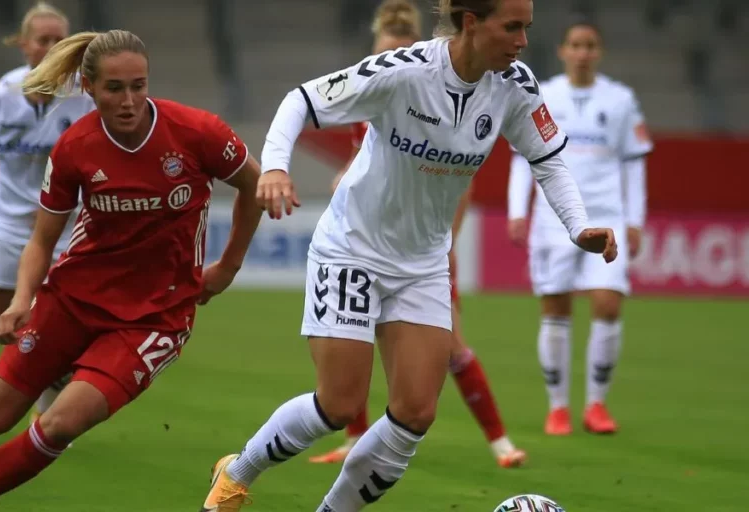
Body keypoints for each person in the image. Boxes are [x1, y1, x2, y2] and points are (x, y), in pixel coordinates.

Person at [200, 0, 618, 510]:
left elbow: (548, 161)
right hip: (353, 247)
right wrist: (275, 168)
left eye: (527, 28)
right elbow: (302, 101)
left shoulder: (516, 85)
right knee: (339, 404)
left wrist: (578, 226)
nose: (523, 41)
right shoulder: (405, 71)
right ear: (471, 22)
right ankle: (238, 472)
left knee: (415, 412)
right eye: (512, 27)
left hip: (422, 263)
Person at [0, 29, 264, 512]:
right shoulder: (74, 147)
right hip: (73, 299)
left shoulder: (197, 131)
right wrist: (21, 301)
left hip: (154, 317)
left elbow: (255, 184)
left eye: (138, 86)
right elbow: (42, 239)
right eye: (114, 88)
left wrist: (227, 265)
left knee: (58, 425)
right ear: (88, 87)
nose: (129, 100)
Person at [311, 0, 526, 469]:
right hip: (371, 243)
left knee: (451, 348)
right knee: (354, 339)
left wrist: (447, 245)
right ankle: (355, 438)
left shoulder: (435, 96)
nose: (384, 65)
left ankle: (500, 441)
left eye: (396, 52)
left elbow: (455, 184)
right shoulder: (367, 106)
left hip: (423, 250)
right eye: (380, 54)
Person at [0, 1, 92, 449]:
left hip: (64, 227)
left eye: (58, 40)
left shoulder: (84, 97)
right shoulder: (3, 94)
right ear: (23, 44)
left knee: (62, 320)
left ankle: (47, 419)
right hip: (7, 223)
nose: (50, 47)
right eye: (42, 39)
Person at [506, 21, 651, 436]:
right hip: (553, 219)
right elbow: (523, 158)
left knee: (608, 304)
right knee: (555, 308)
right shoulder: (543, 95)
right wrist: (518, 210)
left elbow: (634, 163)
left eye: (590, 45)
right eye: (575, 45)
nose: (582, 52)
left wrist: (635, 221)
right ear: (563, 51)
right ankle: (557, 409)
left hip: (607, 216)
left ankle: (596, 404)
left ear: (599, 52)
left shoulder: (621, 99)